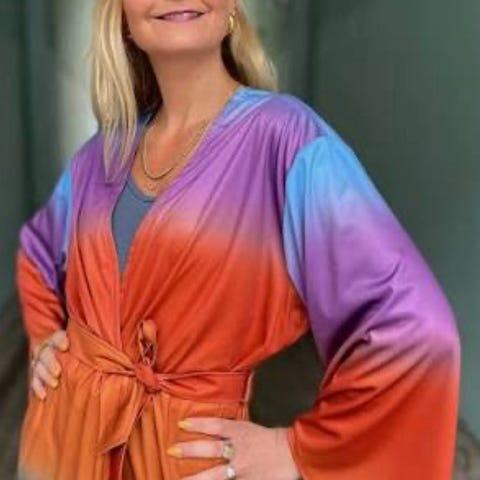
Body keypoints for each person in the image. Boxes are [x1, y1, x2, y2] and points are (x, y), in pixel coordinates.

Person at [15, 0, 461, 479]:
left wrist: (297, 451)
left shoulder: (285, 140)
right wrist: (44, 340)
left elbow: (417, 333)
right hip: (58, 447)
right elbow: (38, 250)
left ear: (231, 6)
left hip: (184, 458)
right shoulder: (102, 154)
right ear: (122, 15)